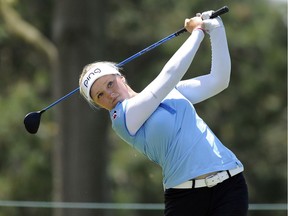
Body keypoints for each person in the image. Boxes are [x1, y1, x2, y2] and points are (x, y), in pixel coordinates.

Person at [79, 10, 248, 216]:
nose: (109, 94)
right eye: (100, 95)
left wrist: (216, 29)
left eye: (110, 84)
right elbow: (169, 74)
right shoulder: (122, 118)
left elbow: (218, 81)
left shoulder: (169, 92)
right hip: (186, 198)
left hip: (230, 184)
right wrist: (197, 32)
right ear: (98, 104)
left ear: (121, 77)